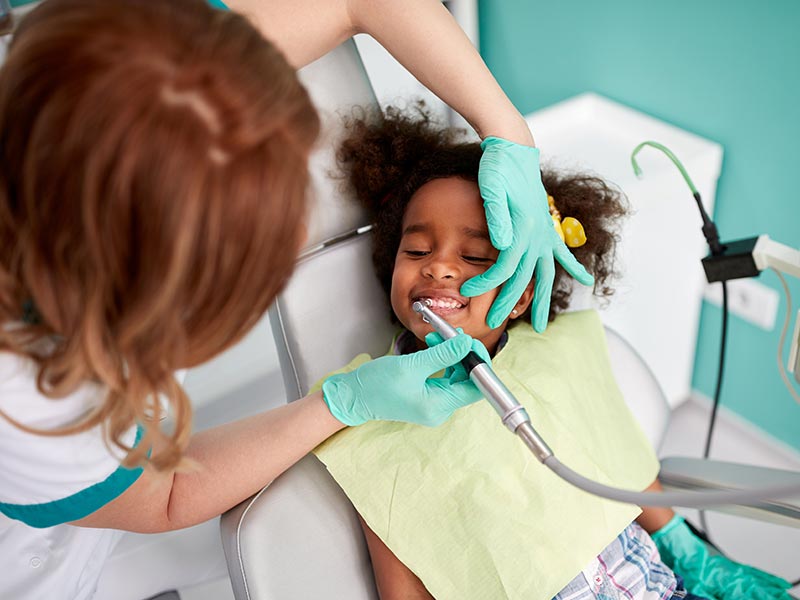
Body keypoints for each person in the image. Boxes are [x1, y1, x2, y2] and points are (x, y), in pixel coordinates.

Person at [0, 0, 583, 597]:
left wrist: (510, 137)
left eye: (478, 261)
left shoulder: (144, 83)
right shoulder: (25, 401)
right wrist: (344, 403)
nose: (439, 270)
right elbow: (162, 493)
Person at [311, 105, 794, 600]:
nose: (437, 268)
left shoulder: (553, 355)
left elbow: (620, 471)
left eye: (475, 257)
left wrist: (697, 559)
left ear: (522, 292)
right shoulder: (373, 419)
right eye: (415, 252)